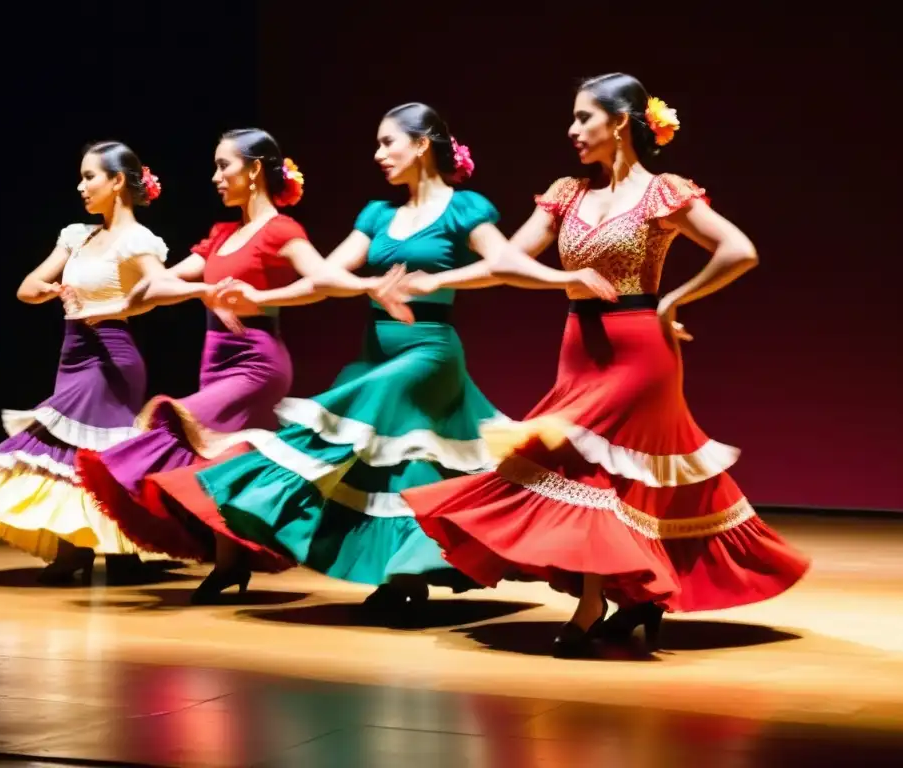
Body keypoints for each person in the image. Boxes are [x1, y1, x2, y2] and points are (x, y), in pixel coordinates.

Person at [401, 73, 810, 657]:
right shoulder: (566, 193)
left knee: (594, 477)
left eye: (583, 118)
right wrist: (439, 278)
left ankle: (592, 605)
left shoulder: (662, 192)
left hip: (641, 354)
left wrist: (673, 300)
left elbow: (739, 250)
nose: (572, 130)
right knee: (585, 474)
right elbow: (507, 262)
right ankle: (635, 600)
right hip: (579, 349)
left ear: (619, 122)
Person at [152, 102, 615, 617]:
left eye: (387, 142)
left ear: (421, 145)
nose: (378, 154)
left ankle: (386, 563)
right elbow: (324, 278)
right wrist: (260, 299)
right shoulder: (378, 215)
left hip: (428, 353)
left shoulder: (464, 208)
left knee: (368, 405)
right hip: (377, 349)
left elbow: (503, 262)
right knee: (402, 469)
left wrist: (561, 279)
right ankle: (405, 575)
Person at [72, 128, 411, 603]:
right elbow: (161, 286)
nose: (215, 177)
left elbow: (321, 276)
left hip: (256, 365)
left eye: (224, 165)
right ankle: (230, 564)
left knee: (177, 421)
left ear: (254, 170)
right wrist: (168, 297)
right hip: (215, 359)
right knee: (226, 460)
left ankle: (256, 549)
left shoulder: (281, 230)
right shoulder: (221, 235)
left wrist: (368, 286)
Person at [0, 141, 170, 584]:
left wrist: (113, 307)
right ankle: (92, 550)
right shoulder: (77, 235)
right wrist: (45, 291)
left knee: (90, 451)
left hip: (111, 355)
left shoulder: (138, 239)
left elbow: (158, 289)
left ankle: (106, 550)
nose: (81, 186)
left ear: (118, 181)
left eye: (90, 176)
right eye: (81, 177)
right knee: (75, 453)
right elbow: (27, 287)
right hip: (74, 353)